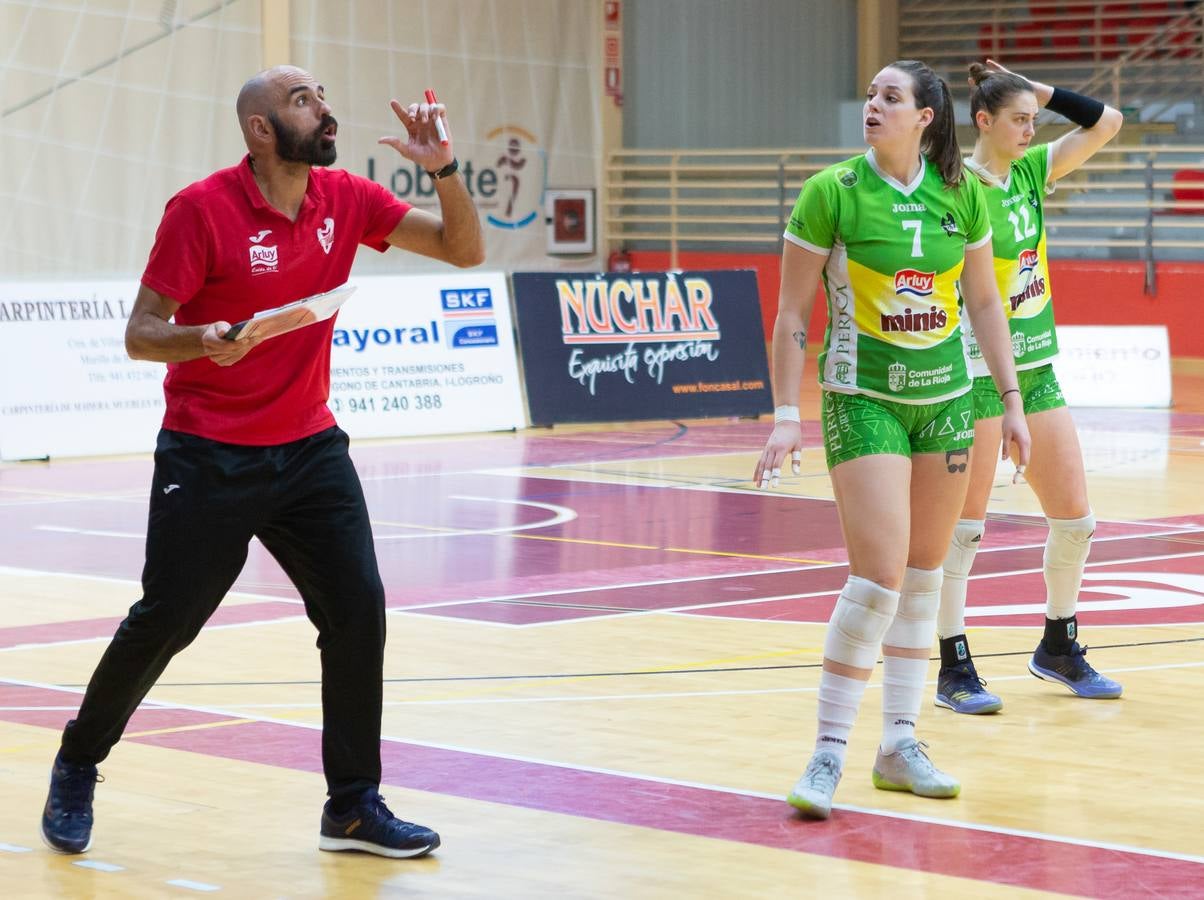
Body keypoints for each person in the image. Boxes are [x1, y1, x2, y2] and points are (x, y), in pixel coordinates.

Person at [40, 66, 484, 858]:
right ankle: (78, 761)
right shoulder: (201, 209)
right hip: (210, 453)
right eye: (304, 99)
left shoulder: (345, 198)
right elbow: (142, 333)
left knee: (357, 610)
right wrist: (205, 340)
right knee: (167, 620)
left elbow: (463, 249)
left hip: (311, 448)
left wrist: (444, 167)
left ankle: (351, 805)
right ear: (259, 127)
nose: (325, 107)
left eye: (321, 94)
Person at [754, 59, 1031, 820]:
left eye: (889, 97)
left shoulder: (963, 193)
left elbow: (983, 301)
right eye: (871, 94)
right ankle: (828, 753)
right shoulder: (831, 193)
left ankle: (899, 745)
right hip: (862, 396)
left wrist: (1009, 400)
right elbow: (789, 317)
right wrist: (786, 414)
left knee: (923, 579)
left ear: (926, 116)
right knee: (876, 581)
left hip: (946, 400)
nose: (872, 105)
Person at [933, 60, 1124, 714]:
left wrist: (1035, 86)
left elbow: (1109, 122)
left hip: (1037, 370)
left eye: (1033, 119)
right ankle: (952, 664)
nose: (1030, 128)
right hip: (977, 375)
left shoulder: (1030, 170)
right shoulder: (954, 187)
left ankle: (1058, 647)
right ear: (982, 122)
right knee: (964, 530)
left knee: (1077, 520)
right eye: (1018, 119)